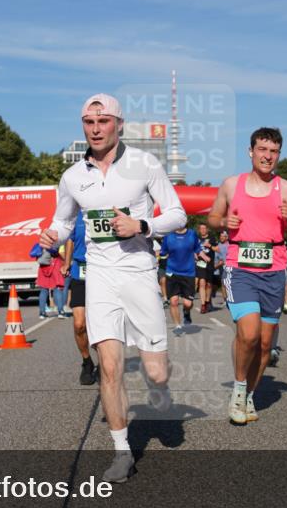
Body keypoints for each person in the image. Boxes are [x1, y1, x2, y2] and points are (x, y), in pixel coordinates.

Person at [41, 93, 185, 483]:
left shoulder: (145, 164)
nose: (96, 129)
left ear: (119, 125)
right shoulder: (73, 176)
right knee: (109, 366)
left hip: (139, 273)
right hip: (100, 277)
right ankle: (122, 452)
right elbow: (63, 221)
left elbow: (177, 214)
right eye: (89, 122)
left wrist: (142, 226)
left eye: (103, 121)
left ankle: (160, 386)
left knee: (156, 372)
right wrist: (53, 235)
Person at [207, 127, 287, 425]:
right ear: (251, 151)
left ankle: (250, 393)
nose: (267, 156)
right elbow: (212, 218)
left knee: (264, 345)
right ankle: (238, 391)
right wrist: (224, 221)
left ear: (278, 155)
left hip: (274, 270)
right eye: (262, 150)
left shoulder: (285, 189)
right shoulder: (231, 184)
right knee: (248, 334)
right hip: (239, 268)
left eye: (273, 151)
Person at [62, 211, 97, 385]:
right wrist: (67, 263)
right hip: (80, 272)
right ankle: (87, 361)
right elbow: (70, 239)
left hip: (103, 271)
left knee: (102, 323)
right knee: (79, 324)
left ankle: (107, 362)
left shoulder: (104, 209)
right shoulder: (77, 215)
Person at [161, 225, 201, 335]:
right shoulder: (168, 235)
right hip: (172, 272)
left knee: (188, 303)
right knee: (173, 301)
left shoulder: (192, 234)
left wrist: (204, 256)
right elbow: (163, 252)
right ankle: (178, 326)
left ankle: (186, 312)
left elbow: (197, 249)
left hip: (188, 272)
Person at [195, 223, 216, 313]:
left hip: (209, 264)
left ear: (207, 229)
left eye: (204, 228)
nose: (203, 230)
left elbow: (217, 249)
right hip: (200, 263)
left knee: (209, 284)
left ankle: (207, 301)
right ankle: (203, 304)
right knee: (202, 283)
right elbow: (192, 248)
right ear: (199, 230)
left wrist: (210, 246)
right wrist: (195, 254)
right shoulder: (197, 239)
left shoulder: (212, 238)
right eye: (201, 228)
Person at [213, 230, 228, 305]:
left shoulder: (230, 246)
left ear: (226, 237)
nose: (221, 238)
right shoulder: (217, 246)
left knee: (228, 284)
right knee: (223, 283)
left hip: (229, 266)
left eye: (223, 236)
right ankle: (225, 300)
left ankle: (230, 299)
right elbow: (216, 257)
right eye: (220, 236)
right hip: (220, 267)